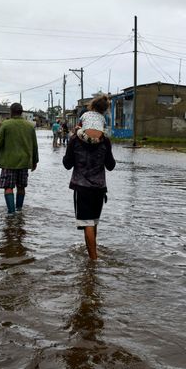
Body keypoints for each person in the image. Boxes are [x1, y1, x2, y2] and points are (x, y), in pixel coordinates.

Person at [62, 94, 116, 260]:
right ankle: (93, 254)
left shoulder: (75, 140)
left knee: (87, 224)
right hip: (99, 188)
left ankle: (93, 262)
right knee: (93, 222)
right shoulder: (105, 141)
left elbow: (67, 164)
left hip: (82, 187)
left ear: (83, 122)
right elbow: (111, 166)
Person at [0, 102, 39, 215]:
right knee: (21, 187)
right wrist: (35, 161)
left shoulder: (6, 125)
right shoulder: (29, 126)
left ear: (11, 112)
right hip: (24, 162)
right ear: (22, 112)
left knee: (8, 187)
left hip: (8, 162)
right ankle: (19, 210)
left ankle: (11, 213)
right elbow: (35, 146)